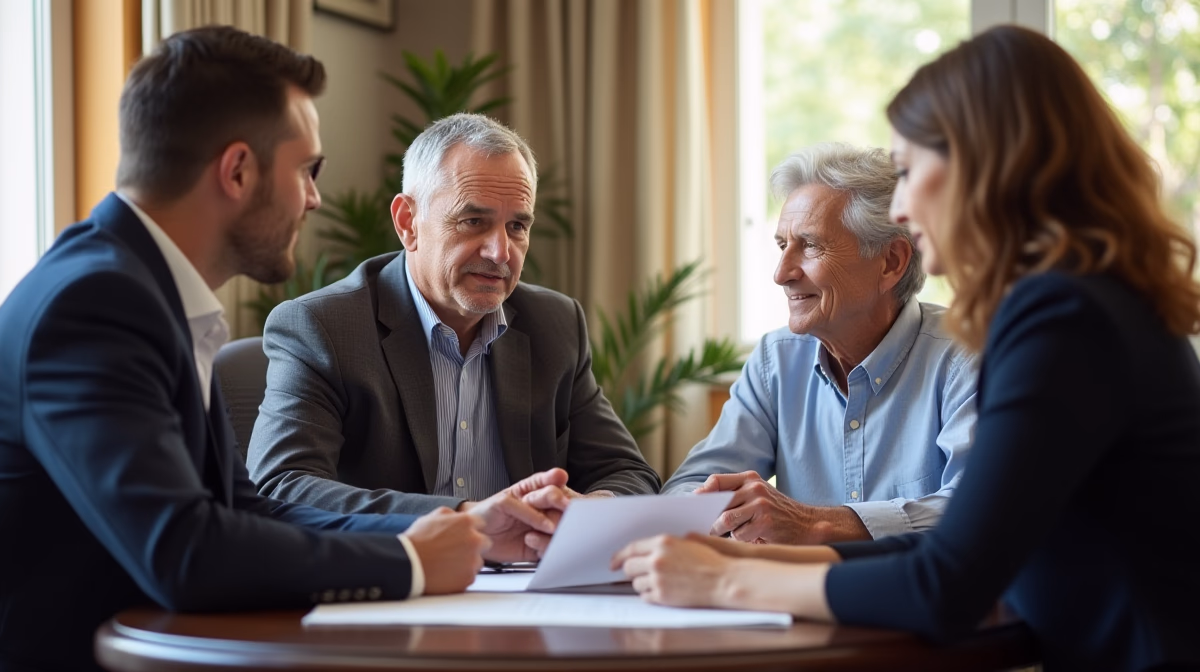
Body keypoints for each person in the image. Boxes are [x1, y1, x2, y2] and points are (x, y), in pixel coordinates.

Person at [615, 25, 1200, 671]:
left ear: (983, 167)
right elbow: (960, 546)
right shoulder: (1090, 300)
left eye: (907, 171)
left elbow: (946, 583)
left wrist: (723, 579)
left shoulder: (1060, 315)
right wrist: (746, 555)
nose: (899, 204)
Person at [0, 27, 567, 672]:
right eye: (307, 169)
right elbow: (184, 552)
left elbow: (243, 510)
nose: (315, 197)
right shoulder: (98, 304)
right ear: (238, 170)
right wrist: (408, 561)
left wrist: (464, 531)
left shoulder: (142, 290)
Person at [245, 112, 660, 532]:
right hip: (396, 581)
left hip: (527, 584)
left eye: (517, 226)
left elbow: (630, 472)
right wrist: (465, 520)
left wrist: (585, 510)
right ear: (408, 222)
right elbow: (280, 487)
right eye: (473, 221)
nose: (500, 252)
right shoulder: (324, 327)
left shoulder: (555, 325)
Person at [662, 143, 978, 544]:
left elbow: (980, 511)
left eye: (810, 245)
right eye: (782, 245)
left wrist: (816, 524)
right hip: (794, 599)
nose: (781, 273)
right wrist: (708, 508)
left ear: (891, 262)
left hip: (922, 603)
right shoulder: (775, 361)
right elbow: (690, 484)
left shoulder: (967, 356)